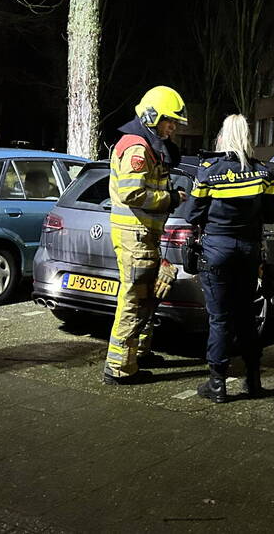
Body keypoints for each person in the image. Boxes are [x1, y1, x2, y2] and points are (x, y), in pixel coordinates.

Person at [186, 114, 274, 403]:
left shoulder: (207, 172)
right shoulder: (263, 173)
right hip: (248, 252)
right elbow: (272, 215)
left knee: (220, 319)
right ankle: (253, 381)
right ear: (248, 137)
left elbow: (192, 215)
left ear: (223, 136)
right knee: (246, 318)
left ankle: (217, 385)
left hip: (217, 251)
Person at [103, 86, 188, 385]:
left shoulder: (147, 143)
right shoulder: (137, 147)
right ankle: (119, 368)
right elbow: (131, 192)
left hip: (143, 234)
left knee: (147, 294)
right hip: (134, 235)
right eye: (169, 121)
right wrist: (170, 198)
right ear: (152, 116)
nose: (173, 127)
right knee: (134, 299)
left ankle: (139, 353)